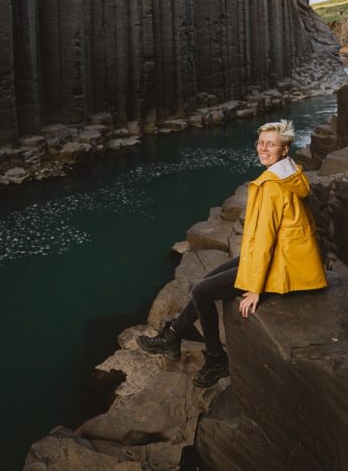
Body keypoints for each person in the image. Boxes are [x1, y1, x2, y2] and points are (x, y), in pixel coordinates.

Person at [137, 119, 328, 388]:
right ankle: (173, 335)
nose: (263, 148)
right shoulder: (291, 172)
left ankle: (216, 359)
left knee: (202, 292)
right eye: (261, 142)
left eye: (271, 144)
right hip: (286, 255)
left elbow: (265, 240)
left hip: (283, 265)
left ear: (284, 150)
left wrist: (256, 287)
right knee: (210, 277)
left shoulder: (270, 186)